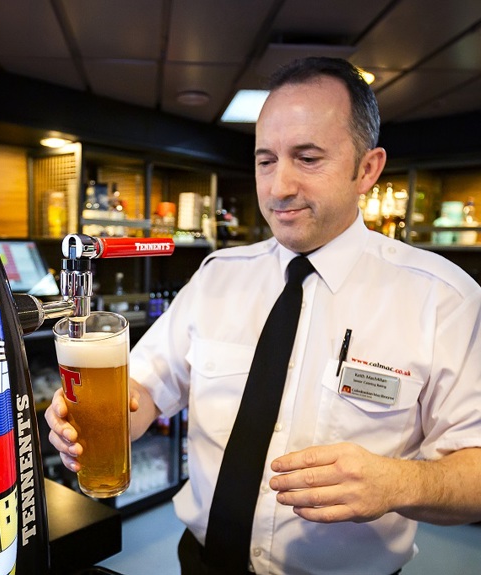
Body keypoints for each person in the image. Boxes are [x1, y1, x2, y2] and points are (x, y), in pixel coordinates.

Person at [45, 57, 481, 574]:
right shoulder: (217, 276)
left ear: (368, 168)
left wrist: (396, 483)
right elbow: (143, 388)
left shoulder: (443, 298)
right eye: (266, 160)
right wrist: (99, 415)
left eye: (308, 158)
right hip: (201, 563)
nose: (278, 187)